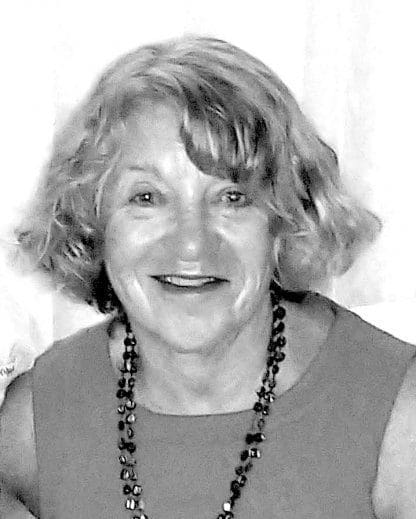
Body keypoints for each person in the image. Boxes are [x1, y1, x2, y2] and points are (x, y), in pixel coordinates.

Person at [0, 35, 415, 519]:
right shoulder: (36, 423)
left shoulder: (396, 418)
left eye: (232, 198)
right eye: (147, 198)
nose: (191, 244)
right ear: (92, 220)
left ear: (287, 219)